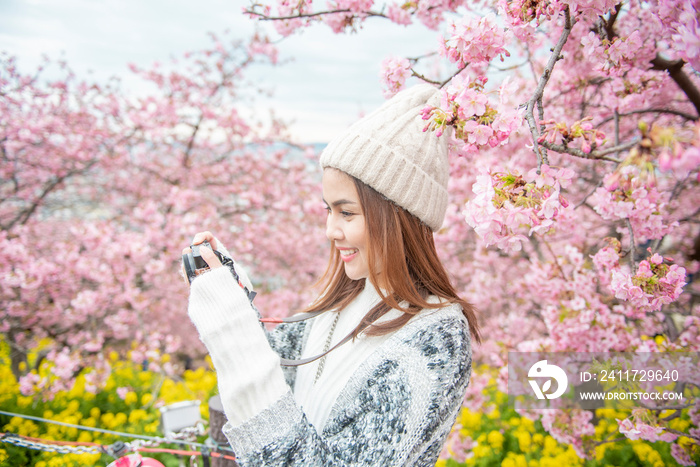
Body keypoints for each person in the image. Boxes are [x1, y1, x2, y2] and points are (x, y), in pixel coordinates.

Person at [184, 84, 480, 466]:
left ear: (397, 218)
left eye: (347, 213)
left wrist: (231, 330)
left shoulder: (434, 340)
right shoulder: (341, 300)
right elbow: (275, 377)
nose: (330, 230)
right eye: (328, 210)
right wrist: (230, 294)